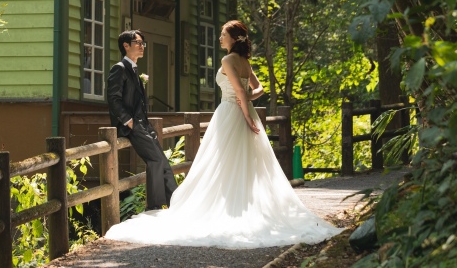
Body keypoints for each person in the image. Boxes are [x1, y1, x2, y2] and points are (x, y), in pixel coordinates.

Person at [104, 20, 341, 248]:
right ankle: (236, 206)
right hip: (240, 111)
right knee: (242, 162)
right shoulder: (245, 61)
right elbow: (258, 89)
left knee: (221, 161)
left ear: (233, 39)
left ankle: (226, 208)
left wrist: (245, 112)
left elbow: (239, 89)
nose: (219, 38)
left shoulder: (228, 59)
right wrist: (247, 104)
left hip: (231, 113)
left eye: (223, 34)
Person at [107, 29, 178, 210]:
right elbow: (113, 99)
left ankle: (174, 204)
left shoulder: (134, 69)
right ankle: (158, 206)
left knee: (161, 160)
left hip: (143, 123)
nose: (142, 46)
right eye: (138, 42)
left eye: (142, 43)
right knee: (155, 159)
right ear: (126, 45)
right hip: (131, 125)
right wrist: (128, 121)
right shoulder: (119, 68)